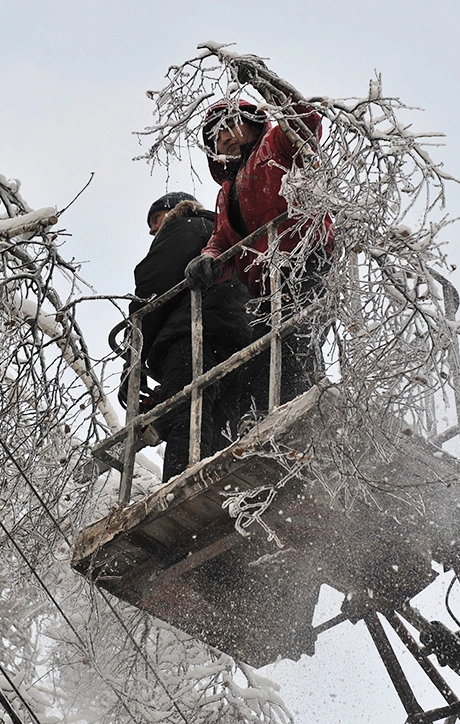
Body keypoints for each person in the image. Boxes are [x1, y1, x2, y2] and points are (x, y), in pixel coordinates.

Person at [185, 99, 333, 406]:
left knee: (292, 340)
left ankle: (304, 406)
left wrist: (268, 86)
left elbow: (306, 121)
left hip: (304, 257)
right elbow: (223, 241)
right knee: (259, 356)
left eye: (230, 125)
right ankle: (266, 416)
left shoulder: (276, 145)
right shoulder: (228, 192)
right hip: (267, 283)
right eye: (216, 136)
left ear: (253, 123)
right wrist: (209, 260)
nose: (224, 138)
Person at [124, 192, 254, 481]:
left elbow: (153, 285)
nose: (152, 230)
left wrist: (132, 362)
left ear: (175, 212)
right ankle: (216, 487)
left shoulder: (188, 225)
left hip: (194, 332)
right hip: (237, 336)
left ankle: (180, 483)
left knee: (187, 413)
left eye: (157, 220)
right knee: (220, 420)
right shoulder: (222, 236)